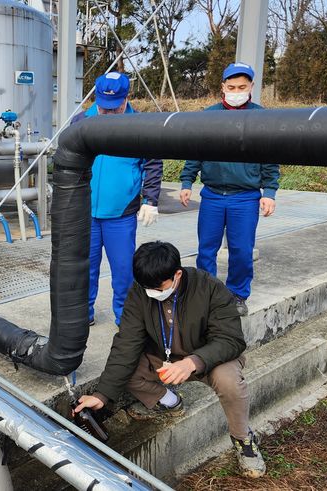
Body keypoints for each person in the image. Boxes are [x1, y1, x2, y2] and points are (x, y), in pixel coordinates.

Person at [74, 241, 266, 478]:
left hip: (206, 357)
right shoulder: (140, 291)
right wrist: (101, 395)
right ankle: (170, 402)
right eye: (147, 288)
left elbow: (231, 340)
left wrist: (193, 362)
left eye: (158, 287)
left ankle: (243, 441)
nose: (152, 292)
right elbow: (126, 344)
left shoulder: (210, 288)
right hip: (163, 357)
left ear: (177, 274)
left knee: (230, 380)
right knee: (128, 370)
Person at [179, 62, 280, 316]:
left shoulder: (262, 117)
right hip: (212, 195)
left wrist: (269, 192)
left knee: (242, 251)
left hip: (244, 197)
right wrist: (186, 182)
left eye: (242, 87)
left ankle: (237, 294)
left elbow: (270, 158)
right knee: (206, 250)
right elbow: (195, 151)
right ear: (223, 86)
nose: (237, 91)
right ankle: (205, 294)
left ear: (251, 87)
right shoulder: (208, 116)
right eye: (232, 86)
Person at [72, 72, 163, 326]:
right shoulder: (80, 122)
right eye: (104, 107)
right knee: (85, 269)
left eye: (115, 108)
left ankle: (125, 317)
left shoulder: (139, 126)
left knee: (123, 272)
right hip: (86, 213)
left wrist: (150, 199)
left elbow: (153, 163)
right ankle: (84, 314)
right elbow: (67, 163)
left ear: (126, 98)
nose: (109, 113)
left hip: (121, 215)